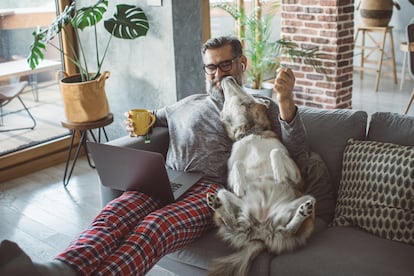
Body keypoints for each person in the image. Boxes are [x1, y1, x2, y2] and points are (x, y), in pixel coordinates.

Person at [0, 35, 308, 276]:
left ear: (242, 63)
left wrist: (285, 102)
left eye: (225, 65)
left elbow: (295, 152)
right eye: (211, 67)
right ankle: (57, 270)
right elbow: (149, 122)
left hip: (210, 190)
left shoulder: (257, 105)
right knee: (111, 217)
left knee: (154, 227)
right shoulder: (186, 103)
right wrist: (139, 123)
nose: (217, 74)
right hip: (166, 179)